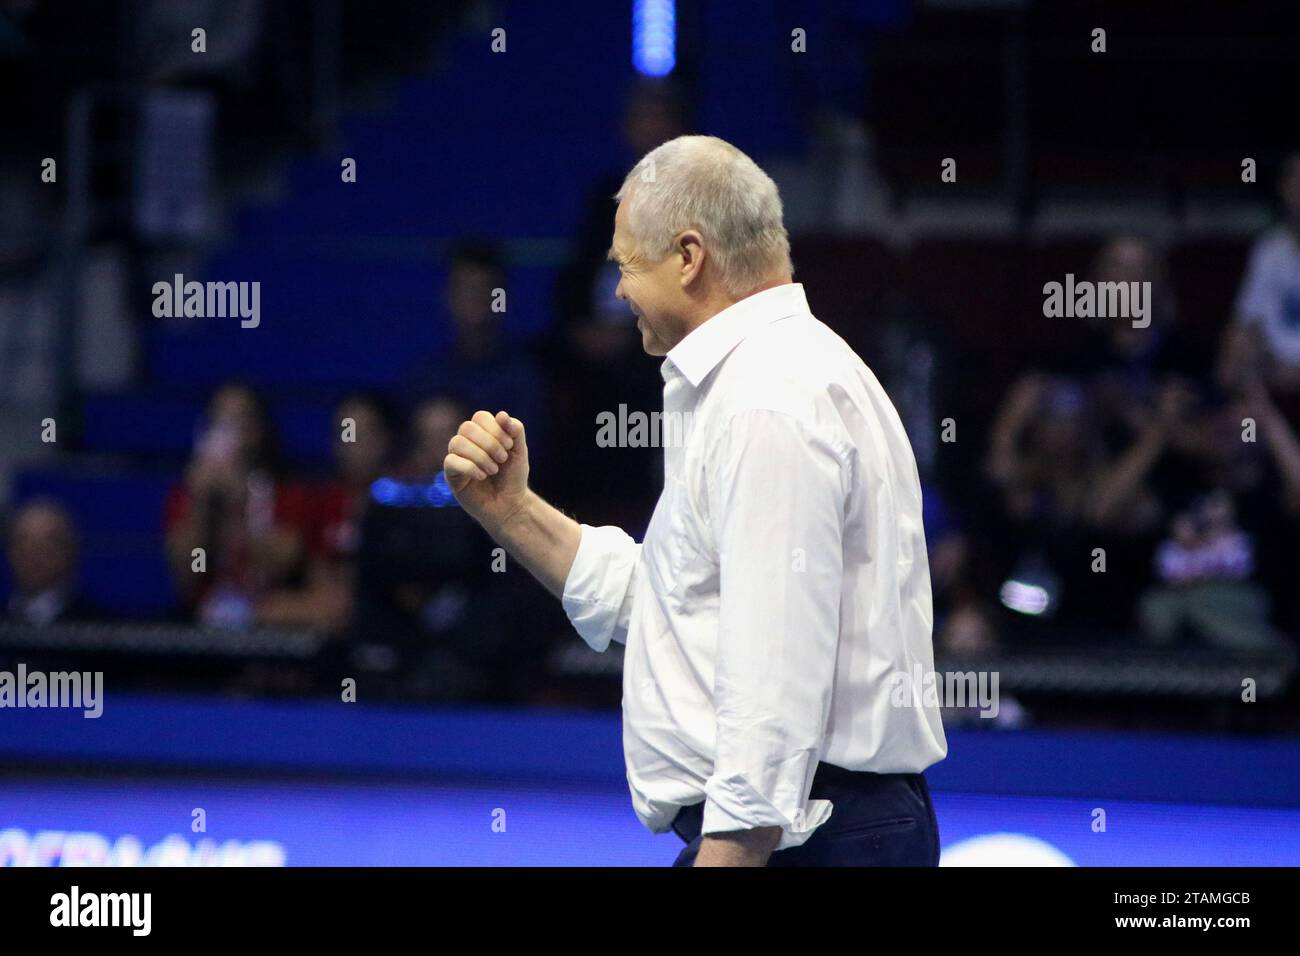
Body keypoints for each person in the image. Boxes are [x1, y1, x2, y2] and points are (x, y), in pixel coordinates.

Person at [443, 135, 945, 867]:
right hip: (805, 827)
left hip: (803, 836)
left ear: (688, 256)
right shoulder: (760, 380)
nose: (616, 291)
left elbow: (773, 672)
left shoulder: (766, 398)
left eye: (625, 265)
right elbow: (676, 611)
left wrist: (729, 851)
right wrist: (511, 510)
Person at [164, 383, 312, 628]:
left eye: (239, 420)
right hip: (202, 627)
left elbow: (282, 564)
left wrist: (238, 505)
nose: (228, 432)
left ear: (259, 429)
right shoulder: (189, 495)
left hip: (270, 623)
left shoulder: (289, 493)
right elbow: (191, 572)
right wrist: (202, 506)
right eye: (220, 421)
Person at [4, 499, 98, 627]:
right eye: (23, 542)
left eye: (47, 544)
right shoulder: (5, 616)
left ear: (70, 551)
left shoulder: (97, 625)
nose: (34, 554)